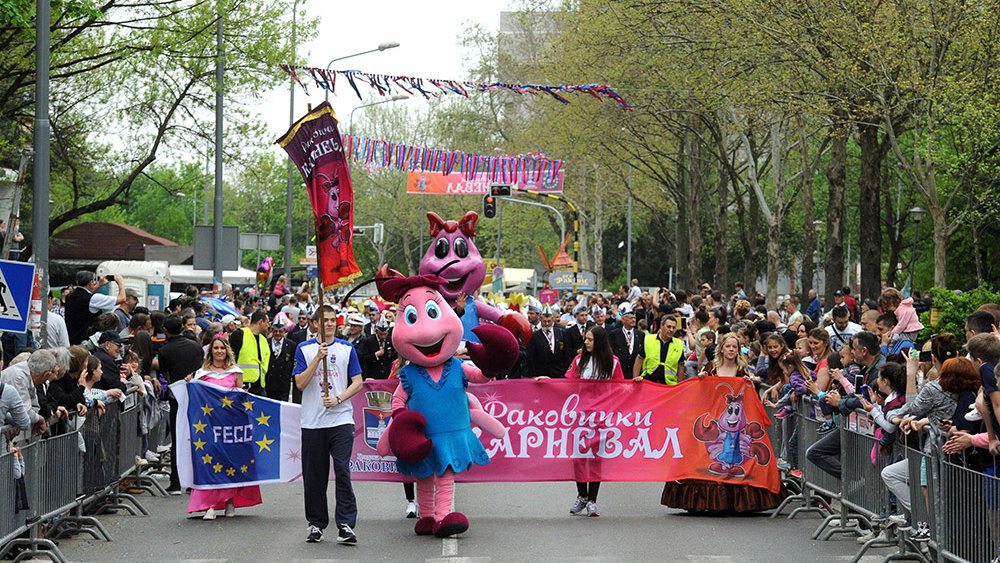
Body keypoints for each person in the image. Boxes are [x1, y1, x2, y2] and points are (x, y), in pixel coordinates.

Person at [293, 305, 364, 545]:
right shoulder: (304, 349)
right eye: (325, 321)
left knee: (342, 470)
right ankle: (315, 523)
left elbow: (358, 382)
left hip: (341, 419)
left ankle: (345, 524)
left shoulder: (347, 348)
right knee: (315, 476)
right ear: (315, 324)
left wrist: (339, 399)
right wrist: (317, 359)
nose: (330, 324)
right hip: (313, 422)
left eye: (334, 320)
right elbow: (300, 383)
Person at [184, 337, 263, 520]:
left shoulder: (236, 372)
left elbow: (241, 399)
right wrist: (188, 383)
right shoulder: (201, 374)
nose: (219, 351)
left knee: (230, 463)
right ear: (210, 351)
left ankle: (229, 501)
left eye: (222, 348)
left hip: (230, 426)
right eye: (216, 348)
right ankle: (209, 505)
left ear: (227, 350)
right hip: (209, 427)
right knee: (210, 463)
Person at [564, 326, 623, 517]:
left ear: (599, 341)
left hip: (602, 417)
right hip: (580, 416)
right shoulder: (579, 360)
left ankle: (592, 500)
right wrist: (545, 381)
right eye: (585, 339)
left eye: (590, 340)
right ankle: (582, 495)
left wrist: (637, 384)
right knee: (579, 456)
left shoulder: (613, 363)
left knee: (596, 458)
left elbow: (622, 387)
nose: (587, 343)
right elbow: (566, 385)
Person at [158, 315, 205, 495]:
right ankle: (195, 480)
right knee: (196, 438)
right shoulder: (195, 346)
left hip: (177, 397)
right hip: (196, 397)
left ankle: (176, 481)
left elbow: (164, 372)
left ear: (166, 330)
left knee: (178, 440)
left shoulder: (165, 351)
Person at [64, 271, 127, 344]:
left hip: (71, 339)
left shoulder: (70, 296)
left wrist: (99, 285)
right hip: (86, 343)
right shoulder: (93, 299)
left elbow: (86, 293)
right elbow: (122, 299)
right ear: (91, 282)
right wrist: (121, 283)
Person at [229, 311, 271, 397]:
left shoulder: (264, 340)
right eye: (267, 322)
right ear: (260, 322)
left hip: (260, 388)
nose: (268, 325)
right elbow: (230, 359)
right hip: (243, 386)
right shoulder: (240, 334)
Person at [634, 315, 684, 384]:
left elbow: (681, 367)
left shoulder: (679, 344)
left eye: (674, 328)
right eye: (669, 327)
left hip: (669, 385)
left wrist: (680, 386)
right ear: (661, 326)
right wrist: (635, 380)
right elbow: (639, 360)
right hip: (648, 382)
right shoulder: (648, 339)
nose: (671, 330)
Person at [526, 307, 568, 378]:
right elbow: (531, 357)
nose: (547, 324)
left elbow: (566, 354)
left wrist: (567, 373)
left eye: (549, 321)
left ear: (553, 320)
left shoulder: (561, 333)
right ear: (540, 320)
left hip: (559, 374)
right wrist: (532, 376)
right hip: (542, 375)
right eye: (544, 321)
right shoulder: (535, 336)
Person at [266, 319, 296, 402]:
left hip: (283, 383)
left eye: (280, 331)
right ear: (272, 331)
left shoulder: (291, 344)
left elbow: (293, 361)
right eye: (275, 331)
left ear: (284, 332)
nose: (278, 333)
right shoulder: (266, 343)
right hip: (269, 382)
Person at [608, 307, 642, 379]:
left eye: (634, 318)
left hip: (635, 373)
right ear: (623, 320)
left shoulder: (640, 334)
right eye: (630, 318)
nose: (633, 320)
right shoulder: (614, 334)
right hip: (620, 372)